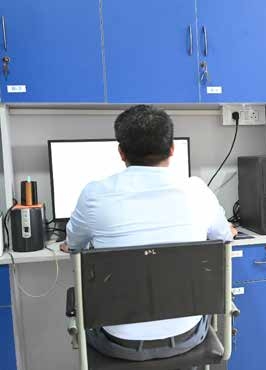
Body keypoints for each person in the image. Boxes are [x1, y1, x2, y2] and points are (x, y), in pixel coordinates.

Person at [61, 104, 236, 361]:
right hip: (187, 336)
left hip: (118, 343)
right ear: (172, 149)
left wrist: (71, 243)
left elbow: (74, 244)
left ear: (121, 153)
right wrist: (228, 229)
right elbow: (224, 237)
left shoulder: (94, 194)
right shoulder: (198, 191)